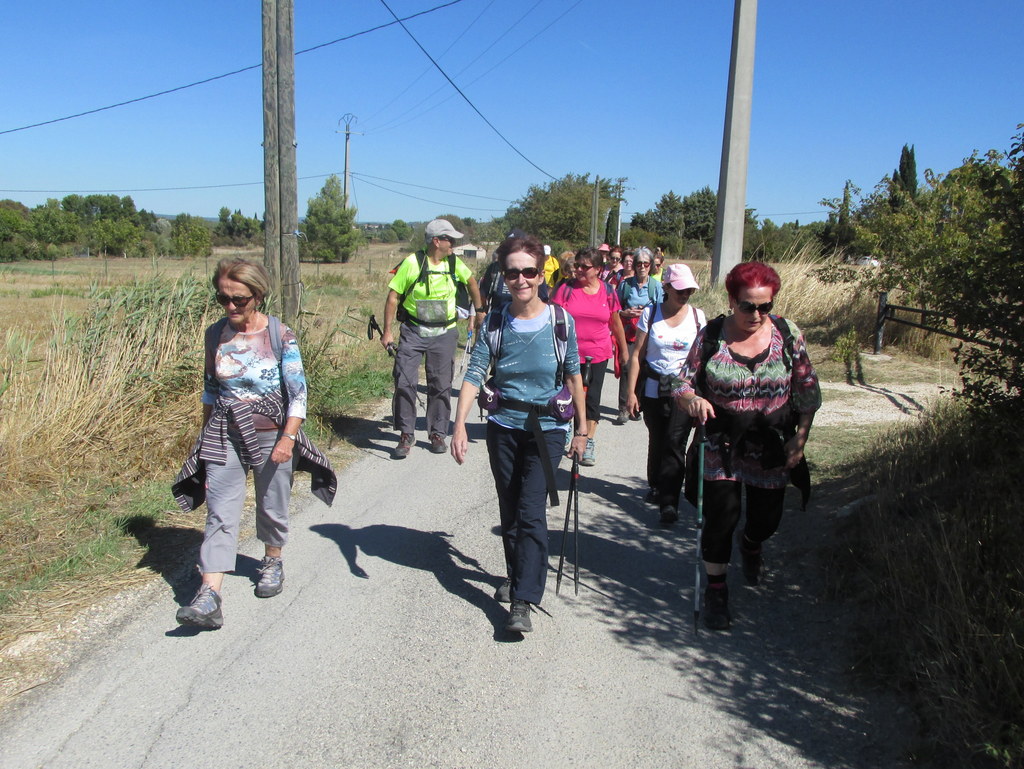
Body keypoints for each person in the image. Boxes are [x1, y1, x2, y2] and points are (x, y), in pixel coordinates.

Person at [172, 258, 337, 629]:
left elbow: (298, 393)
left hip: (272, 432)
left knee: (272, 504)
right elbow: (210, 389)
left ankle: (272, 560)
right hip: (224, 432)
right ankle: (209, 595)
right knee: (219, 510)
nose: (230, 306)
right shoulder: (215, 334)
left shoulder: (280, 334)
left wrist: (288, 438)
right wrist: (203, 439)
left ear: (258, 296)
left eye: (239, 300)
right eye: (223, 299)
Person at [451, 233, 587, 634]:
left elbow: (575, 377)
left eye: (529, 271)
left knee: (530, 513)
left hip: (548, 430)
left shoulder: (561, 321)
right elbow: (475, 373)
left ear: (542, 272)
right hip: (504, 427)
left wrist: (581, 431)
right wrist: (459, 426)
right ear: (504, 276)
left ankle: (524, 599)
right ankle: (514, 576)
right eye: (513, 273)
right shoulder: (494, 322)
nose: (522, 279)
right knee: (509, 510)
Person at [674, 261, 820, 631]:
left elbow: (807, 393)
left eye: (764, 306)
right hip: (720, 444)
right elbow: (681, 383)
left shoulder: (788, 335)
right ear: (731, 299)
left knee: (765, 521)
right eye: (747, 305)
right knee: (720, 519)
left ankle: (753, 545)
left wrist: (799, 441)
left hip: (770, 446)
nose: (756, 314)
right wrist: (691, 400)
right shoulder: (711, 336)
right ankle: (717, 589)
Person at [381, 219, 485, 459]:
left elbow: (471, 282)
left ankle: (437, 433)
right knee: (404, 380)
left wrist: (479, 310)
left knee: (441, 383)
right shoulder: (412, 263)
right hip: (414, 330)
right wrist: (387, 331)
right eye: (450, 239)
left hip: (445, 332)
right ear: (436, 241)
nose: (453, 244)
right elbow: (393, 297)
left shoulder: (454, 262)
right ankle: (406, 434)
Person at [625, 264, 705, 525]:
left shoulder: (698, 317)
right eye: (680, 289)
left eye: (689, 290)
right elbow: (636, 355)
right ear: (667, 288)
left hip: (684, 389)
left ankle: (669, 504)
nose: (685, 294)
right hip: (652, 387)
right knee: (658, 439)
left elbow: (704, 359)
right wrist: (630, 393)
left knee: (675, 442)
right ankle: (657, 485)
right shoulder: (651, 313)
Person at [551, 247, 628, 467]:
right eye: (577, 265)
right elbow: (551, 318)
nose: (579, 270)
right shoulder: (565, 288)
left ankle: (588, 439)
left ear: (598, 269)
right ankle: (567, 430)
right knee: (567, 394)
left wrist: (623, 351)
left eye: (585, 266)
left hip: (597, 353)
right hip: (568, 353)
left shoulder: (608, 291)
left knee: (592, 398)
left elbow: (615, 322)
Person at [613, 246, 664, 424]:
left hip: (648, 333)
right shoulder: (625, 285)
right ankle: (623, 408)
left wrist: (645, 314)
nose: (642, 267)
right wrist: (624, 313)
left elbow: (661, 310)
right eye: (639, 263)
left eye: (646, 263)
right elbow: (615, 308)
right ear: (634, 265)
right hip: (628, 332)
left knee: (642, 368)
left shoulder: (656, 287)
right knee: (627, 366)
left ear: (651, 266)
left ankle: (636, 405)